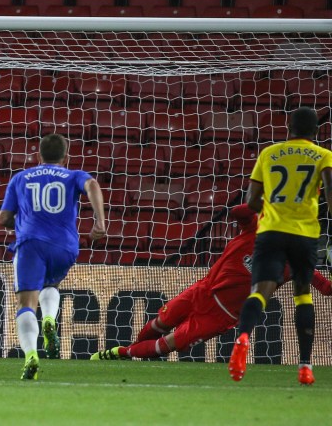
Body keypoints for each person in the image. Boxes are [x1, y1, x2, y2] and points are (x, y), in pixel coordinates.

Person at [92, 204, 332, 362]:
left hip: (221, 315)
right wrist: (266, 202)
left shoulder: (298, 262)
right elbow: (238, 211)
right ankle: (132, 353)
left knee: (170, 344)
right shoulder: (258, 229)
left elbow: (326, 288)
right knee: (160, 322)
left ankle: (117, 353)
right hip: (203, 290)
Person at [228, 106, 332, 385]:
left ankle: (242, 338)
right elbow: (331, 200)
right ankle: (305, 367)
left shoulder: (269, 153)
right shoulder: (324, 156)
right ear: (316, 131)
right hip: (304, 233)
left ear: (288, 128)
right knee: (302, 293)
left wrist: (275, 207)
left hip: (271, 230)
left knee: (259, 292)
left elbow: (250, 202)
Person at [0, 133, 106, 380]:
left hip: (31, 244)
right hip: (66, 247)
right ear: (65, 158)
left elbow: (3, 218)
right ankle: (49, 318)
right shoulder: (73, 175)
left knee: (26, 304)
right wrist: (100, 221)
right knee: (52, 283)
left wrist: (23, 219)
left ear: (38, 156)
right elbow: (92, 185)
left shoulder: (21, 177)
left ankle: (31, 356)